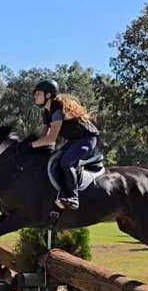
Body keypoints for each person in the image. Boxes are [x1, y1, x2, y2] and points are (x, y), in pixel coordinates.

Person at [30, 80, 100, 210]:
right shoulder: (47, 112)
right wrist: (27, 144)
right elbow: (42, 135)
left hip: (87, 139)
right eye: (35, 94)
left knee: (66, 162)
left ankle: (73, 198)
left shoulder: (57, 109)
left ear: (48, 95)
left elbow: (51, 138)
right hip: (74, 141)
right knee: (54, 160)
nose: (35, 96)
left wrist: (29, 146)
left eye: (38, 94)